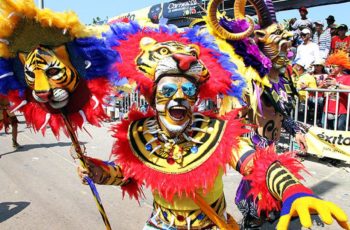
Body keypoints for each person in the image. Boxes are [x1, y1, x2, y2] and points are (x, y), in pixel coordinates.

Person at [77, 17, 350, 229]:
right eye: (169, 91)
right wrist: (97, 171)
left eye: (188, 92)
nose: (179, 100)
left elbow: (258, 163)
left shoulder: (217, 132)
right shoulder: (141, 135)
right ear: (152, 95)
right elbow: (126, 173)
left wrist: (295, 191)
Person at [322, 51, 350, 131]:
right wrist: (323, 86)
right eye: (330, 66)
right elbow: (320, 90)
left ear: (341, 67)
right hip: (327, 109)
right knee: (326, 131)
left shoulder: (347, 77)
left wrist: (336, 84)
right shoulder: (329, 77)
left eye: (334, 66)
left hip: (341, 110)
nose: (331, 68)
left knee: (339, 131)